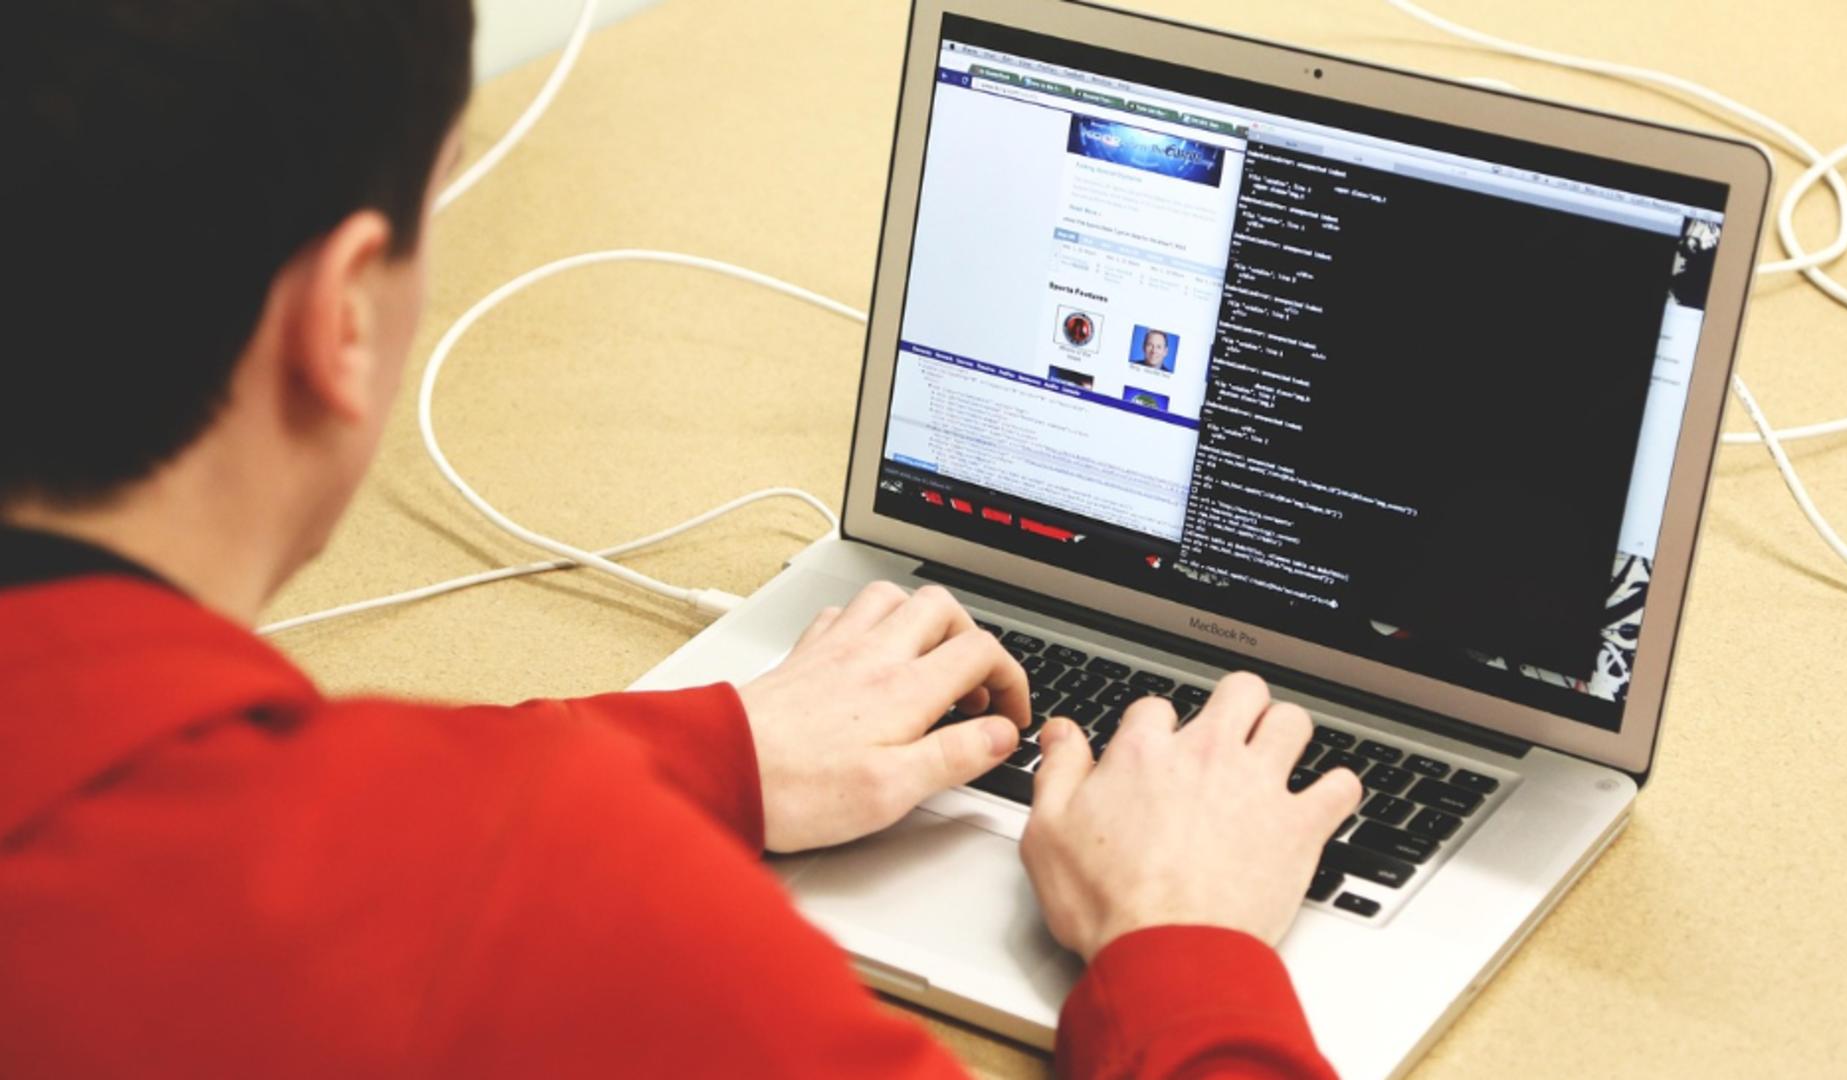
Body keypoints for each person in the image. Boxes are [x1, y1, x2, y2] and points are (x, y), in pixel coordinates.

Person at [0, 3, 1363, 1077]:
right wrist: (1184, 941)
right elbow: (421, 895)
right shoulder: (524, 906)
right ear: (342, 315)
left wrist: (704, 752)